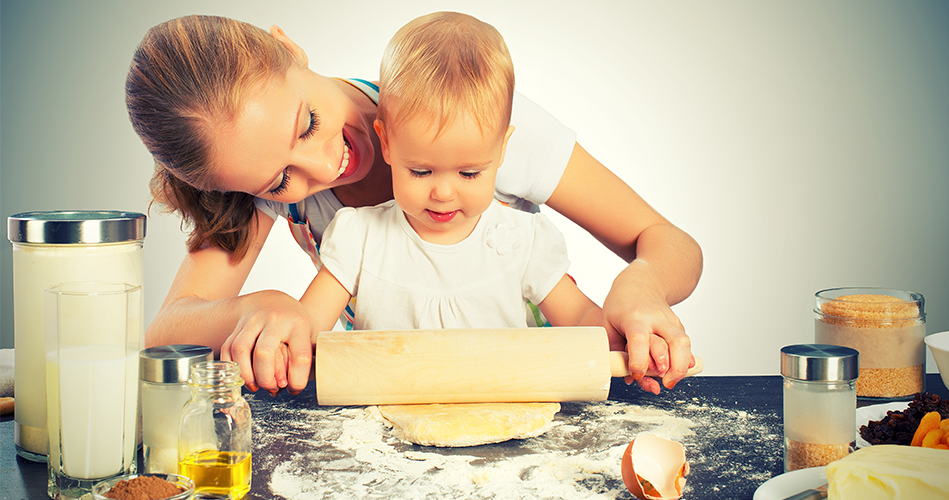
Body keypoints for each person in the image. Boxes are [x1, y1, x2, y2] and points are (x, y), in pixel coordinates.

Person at [125, 13, 703, 397]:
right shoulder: (260, 181)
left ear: (288, 49)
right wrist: (264, 307)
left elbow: (663, 237)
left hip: (522, 388)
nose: (325, 168)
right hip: (395, 405)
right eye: (280, 180)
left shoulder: (474, 117)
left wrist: (642, 289)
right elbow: (167, 327)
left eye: (309, 124)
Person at [297, 11, 602, 341]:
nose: (443, 192)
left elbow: (582, 317)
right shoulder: (360, 238)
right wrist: (285, 338)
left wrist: (625, 335)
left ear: (501, 150)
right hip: (388, 394)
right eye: (420, 171)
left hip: (504, 393)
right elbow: (307, 327)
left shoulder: (522, 241)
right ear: (386, 143)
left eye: (469, 173)